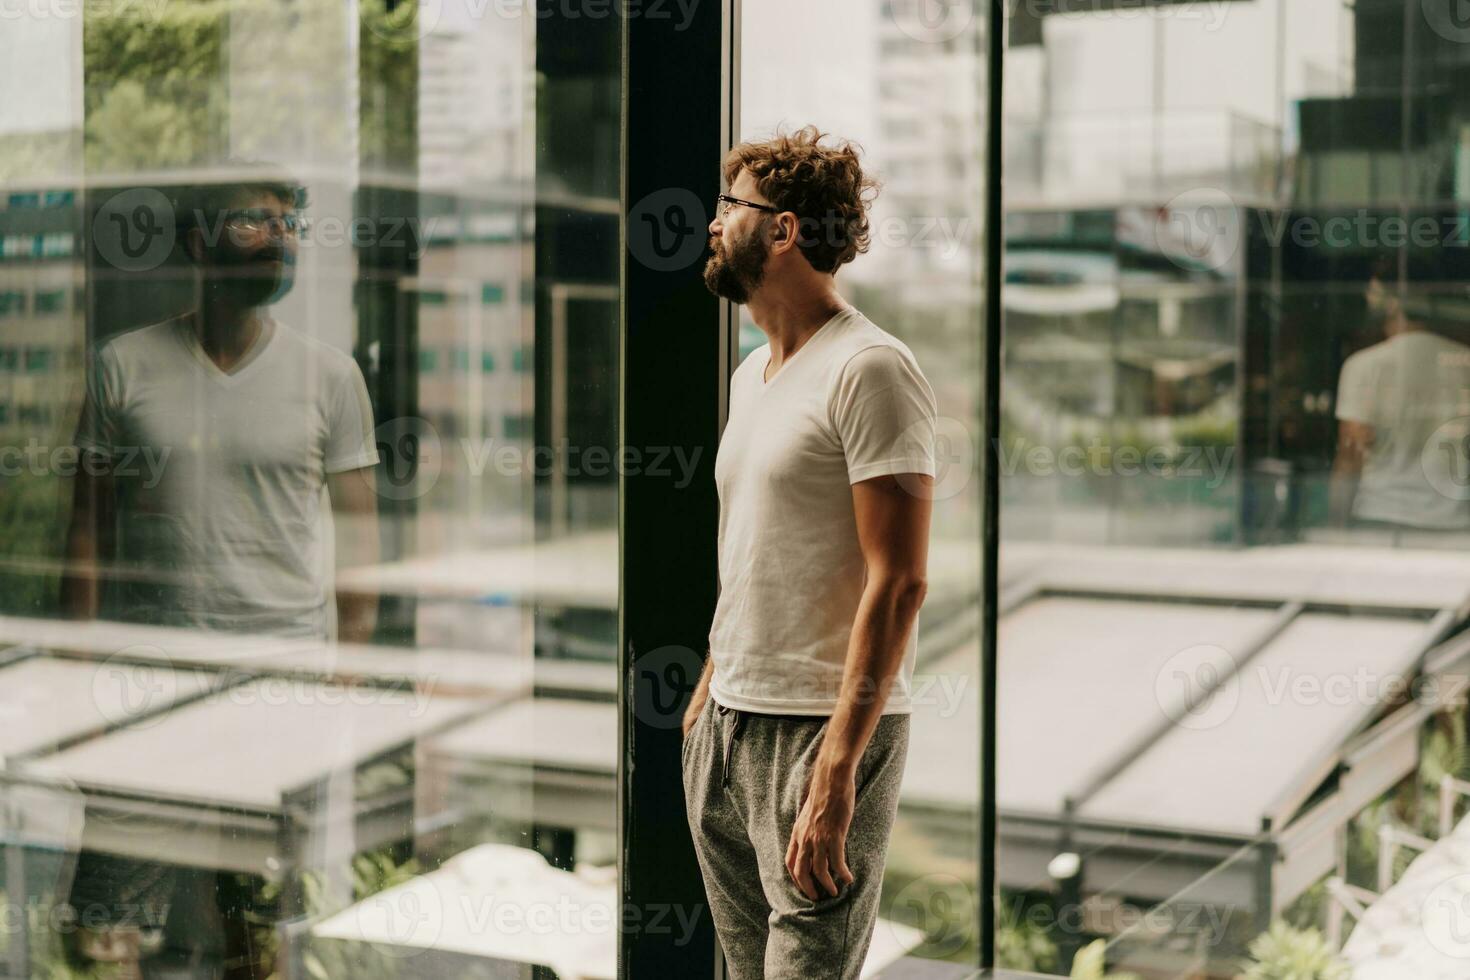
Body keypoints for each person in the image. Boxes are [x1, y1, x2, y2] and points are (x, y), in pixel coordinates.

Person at [59, 172, 381, 977]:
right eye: (255, 222)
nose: (282, 237)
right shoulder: (121, 366)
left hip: (280, 684)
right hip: (144, 689)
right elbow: (86, 535)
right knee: (108, 929)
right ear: (199, 242)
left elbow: (363, 541)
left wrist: (346, 683)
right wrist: (76, 687)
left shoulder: (330, 377)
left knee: (258, 933)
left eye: (292, 225)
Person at [681, 127, 937, 979]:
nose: (714, 223)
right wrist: (714, 680)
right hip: (726, 727)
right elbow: (758, 544)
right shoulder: (749, 375)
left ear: (783, 230)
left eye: (733, 206)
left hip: (820, 735)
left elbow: (899, 582)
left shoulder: (872, 369)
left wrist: (839, 768)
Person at [1332, 274, 1470, 532]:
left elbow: (1351, 453)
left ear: (1392, 306)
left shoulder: (1363, 366)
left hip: (1381, 514)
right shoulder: (1465, 362)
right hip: (1456, 520)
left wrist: (1336, 523)